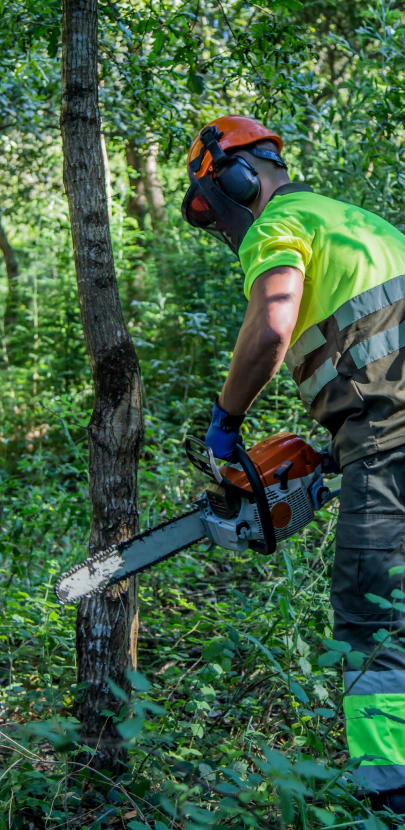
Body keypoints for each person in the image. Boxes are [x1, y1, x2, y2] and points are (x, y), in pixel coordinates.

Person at [182, 115, 405, 819]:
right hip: (378, 433)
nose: (227, 228)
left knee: (374, 618)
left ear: (236, 179)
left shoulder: (282, 224)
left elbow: (271, 327)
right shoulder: (362, 223)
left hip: (389, 439)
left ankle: (389, 795)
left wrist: (226, 421)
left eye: (216, 208)